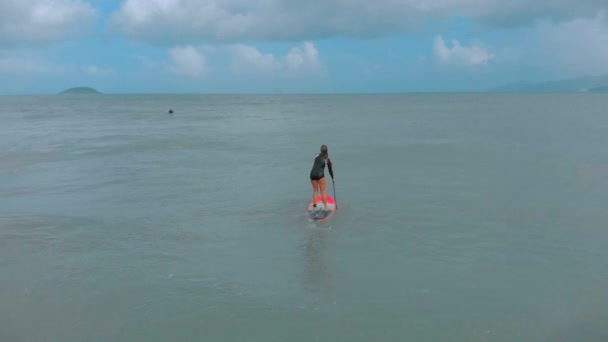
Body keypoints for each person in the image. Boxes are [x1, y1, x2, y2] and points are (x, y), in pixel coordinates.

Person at [309, 144, 334, 211]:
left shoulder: (316, 155)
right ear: (327, 151)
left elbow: (319, 157)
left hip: (312, 174)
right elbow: (330, 170)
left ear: (320, 150)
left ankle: (314, 207)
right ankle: (326, 208)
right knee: (323, 191)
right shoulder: (327, 159)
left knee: (315, 190)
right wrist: (333, 178)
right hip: (320, 175)